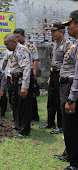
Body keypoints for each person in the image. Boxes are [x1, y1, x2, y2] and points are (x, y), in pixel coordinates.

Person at [40, 22, 72, 135]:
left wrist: (61, 75)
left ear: (61, 32)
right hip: (53, 74)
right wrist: (50, 76)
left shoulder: (68, 44)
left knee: (60, 101)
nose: (52, 34)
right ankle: (50, 122)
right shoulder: (55, 44)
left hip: (61, 74)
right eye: (51, 31)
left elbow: (68, 63)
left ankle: (61, 126)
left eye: (54, 31)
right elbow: (53, 62)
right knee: (51, 99)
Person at [4, 34, 32, 138]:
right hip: (16, 79)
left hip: (21, 81)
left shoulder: (21, 50)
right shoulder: (15, 50)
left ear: (14, 42)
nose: (6, 46)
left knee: (24, 105)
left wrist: (25, 86)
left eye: (7, 44)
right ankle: (18, 124)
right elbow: (16, 65)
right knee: (15, 102)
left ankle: (24, 130)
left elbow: (26, 68)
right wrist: (12, 76)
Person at [60, 10, 78, 170]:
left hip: (72, 87)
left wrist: (71, 98)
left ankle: (75, 163)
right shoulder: (75, 45)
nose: (67, 28)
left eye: (69, 24)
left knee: (71, 127)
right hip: (68, 85)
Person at [13, 28, 40, 125]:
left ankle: (35, 117)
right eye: (15, 37)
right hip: (21, 74)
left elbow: (35, 60)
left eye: (18, 37)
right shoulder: (16, 48)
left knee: (31, 96)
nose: (17, 39)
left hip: (30, 73)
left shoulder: (30, 46)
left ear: (23, 36)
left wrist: (35, 74)